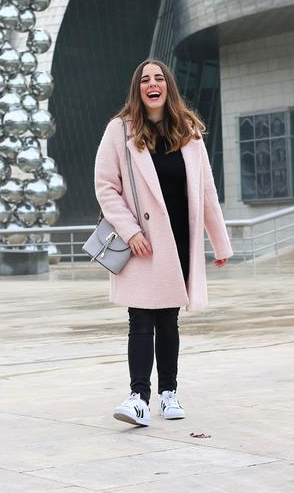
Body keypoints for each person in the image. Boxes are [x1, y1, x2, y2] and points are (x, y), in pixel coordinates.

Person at [94, 59, 232, 427]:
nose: (152, 84)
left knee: (168, 320)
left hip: (178, 243)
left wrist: (220, 244)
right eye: (144, 80)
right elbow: (106, 186)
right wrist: (130, 231)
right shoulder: (119, 131)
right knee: (139, 320)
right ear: (137, 89)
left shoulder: (189, 133)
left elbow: (206, 191)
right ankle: (138, 397)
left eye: (158, 78)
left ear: (168, 86)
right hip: (141, 243)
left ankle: (168, 392)